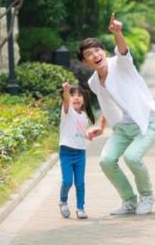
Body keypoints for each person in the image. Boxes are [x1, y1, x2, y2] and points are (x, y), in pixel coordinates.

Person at [80, 14, 155, 216]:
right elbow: (108, 103)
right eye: (89, 54)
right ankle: (129, 200)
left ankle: (147, 196)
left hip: (148, 121)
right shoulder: (93, 82)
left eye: (97, 50)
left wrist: (118, 32)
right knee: (106, 161)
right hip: (123, 127)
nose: (95, 55)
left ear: (104, 51)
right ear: (85, 61)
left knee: (132, 157)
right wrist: (101, 125)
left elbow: (123, 50)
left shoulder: (120, 64)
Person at [58, 82, 94, 219]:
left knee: (80, 183)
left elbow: (81, 131)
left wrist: (88, 135)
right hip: (66, 152)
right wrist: (66, 91)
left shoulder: (83, 116)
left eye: (80, 95)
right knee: (67, 181)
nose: (76, 98)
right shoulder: (67, 112)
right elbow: (66, 101)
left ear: (84, 99)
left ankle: (80, 208)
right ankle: (63, 201)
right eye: (73, 95)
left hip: (80, 153)